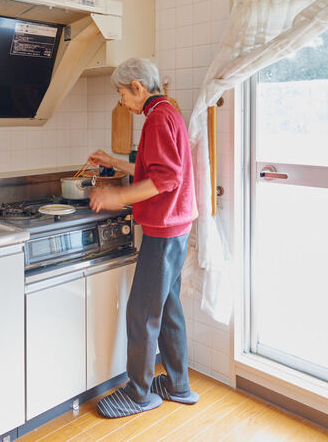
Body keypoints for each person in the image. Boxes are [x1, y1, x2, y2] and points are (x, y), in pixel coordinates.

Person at [87, 57, 199, 418]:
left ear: (137, 87)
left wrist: (114, 196)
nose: (122, 102)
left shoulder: (158, 118)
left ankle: (138, 393)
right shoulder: (165, 113)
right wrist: (114, 162)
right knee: (166, 306)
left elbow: (166, 179)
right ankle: (178, 385)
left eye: (122, 93)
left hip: (164, 230)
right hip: (177, 225)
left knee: (141, 311)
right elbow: (155, 167)